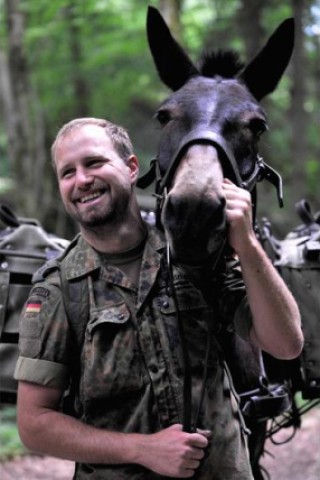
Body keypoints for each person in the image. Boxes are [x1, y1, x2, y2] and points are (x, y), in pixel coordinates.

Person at [14, 117, 303, 480]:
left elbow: (287, 344)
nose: (82, 180)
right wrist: (142, 449)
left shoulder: (196, 257)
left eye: (94, 162)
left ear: (132, 167)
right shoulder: (58, 290)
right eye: (67, 172)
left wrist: (246, 243)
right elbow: (34, 423)